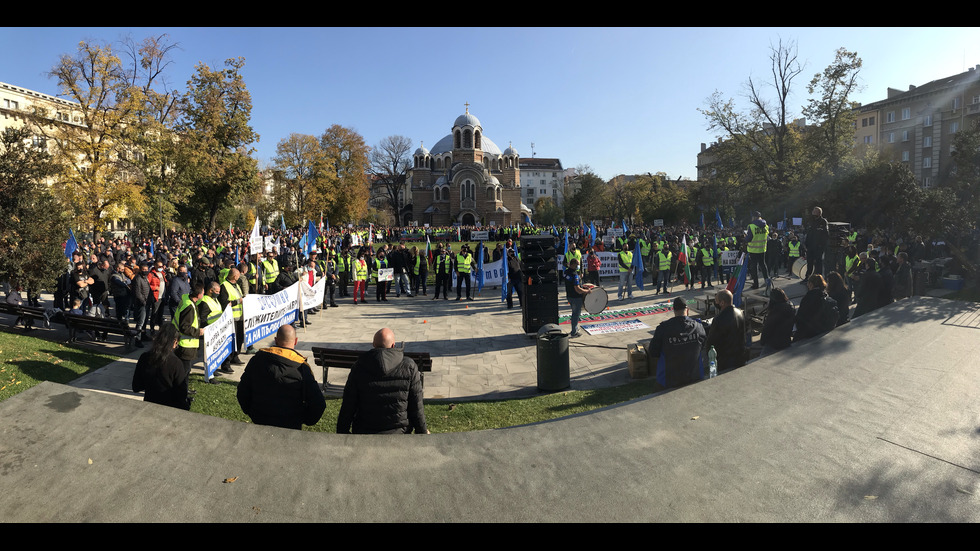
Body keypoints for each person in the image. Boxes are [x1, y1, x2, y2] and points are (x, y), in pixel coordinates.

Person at [336, 328, 428, 435]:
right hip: (399, 433)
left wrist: (342, 433)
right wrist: (422, 433)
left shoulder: (359, 366)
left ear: (373, 344)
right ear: (393, 345)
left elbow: (348, 405)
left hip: (364, 433)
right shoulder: (409, 366)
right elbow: (416, 407)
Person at [236, 324, 326, 430]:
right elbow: (318, 404)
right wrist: (303, 419)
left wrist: (252, 412)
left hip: (260, 424)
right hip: (291, 427)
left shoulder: (257, 360)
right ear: (296, 341)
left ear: (275, 340)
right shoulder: (302, 368)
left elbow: (242, 391)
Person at [647, 297, 707, 388]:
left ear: (674, 310)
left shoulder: (663, 328)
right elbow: (702, 345)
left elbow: (653, 352)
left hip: (670, 379)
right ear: (687, 310)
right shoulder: (698, 326)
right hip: (694, 376)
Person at [131, 324, 190, 410]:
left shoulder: (144, 357)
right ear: (175, 342)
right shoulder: (176, 363)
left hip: (148, 406)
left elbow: (136, 387)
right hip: (169, 409)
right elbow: (182, 393)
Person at [704, 289, 747, 371]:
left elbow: (711, 342)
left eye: (717, 301)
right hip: (740, 358)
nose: (716, 303)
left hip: (725, 361)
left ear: (722, 302)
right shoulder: (740, 313)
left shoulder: (719, 319)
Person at [793, 274, 838, 343]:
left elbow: (801, 316)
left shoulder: (809, 297)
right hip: (824, 327)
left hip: (811, 331)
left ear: (811, 284)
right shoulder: (825, 295)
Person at [758, 287, 795, 357]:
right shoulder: (790, 308)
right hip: (786, 341)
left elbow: (768, 329)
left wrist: (762, 341)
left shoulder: (775, 311)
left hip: (773, 344)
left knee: (761, 358)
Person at [564, 258, 595, 338]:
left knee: (574, 313)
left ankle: (574, 329)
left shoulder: (566, 272)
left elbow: (571, 282)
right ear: (573, 265)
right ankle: (574, 332)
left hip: (569, 296)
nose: (578, 266)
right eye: (577, 265)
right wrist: (586, 291)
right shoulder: (574, 275)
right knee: (576, 314)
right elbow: (577, 289)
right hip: (576, 297)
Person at [804, 206, 829, 281]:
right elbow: (808, 234)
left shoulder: (823, 221)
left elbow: (826, 235)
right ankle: (808, 277)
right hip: (810, 246)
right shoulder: (811, 221)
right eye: (813, 211)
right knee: (809, 262)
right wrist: (806, 244)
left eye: (815, 212)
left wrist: (821, 245)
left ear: (819, 213)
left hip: (818, 246)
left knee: (818, 263)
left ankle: (819, 278)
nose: (813, 213)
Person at [746, 211, 770, 289]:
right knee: (763, 265)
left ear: (754, 217)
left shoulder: (751, 226)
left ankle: (756, 284)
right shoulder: (766, 226)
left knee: (754, 267)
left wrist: (744, 239)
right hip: (762, 249)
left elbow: (749, 239)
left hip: (753, 250)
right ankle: (767, 281)